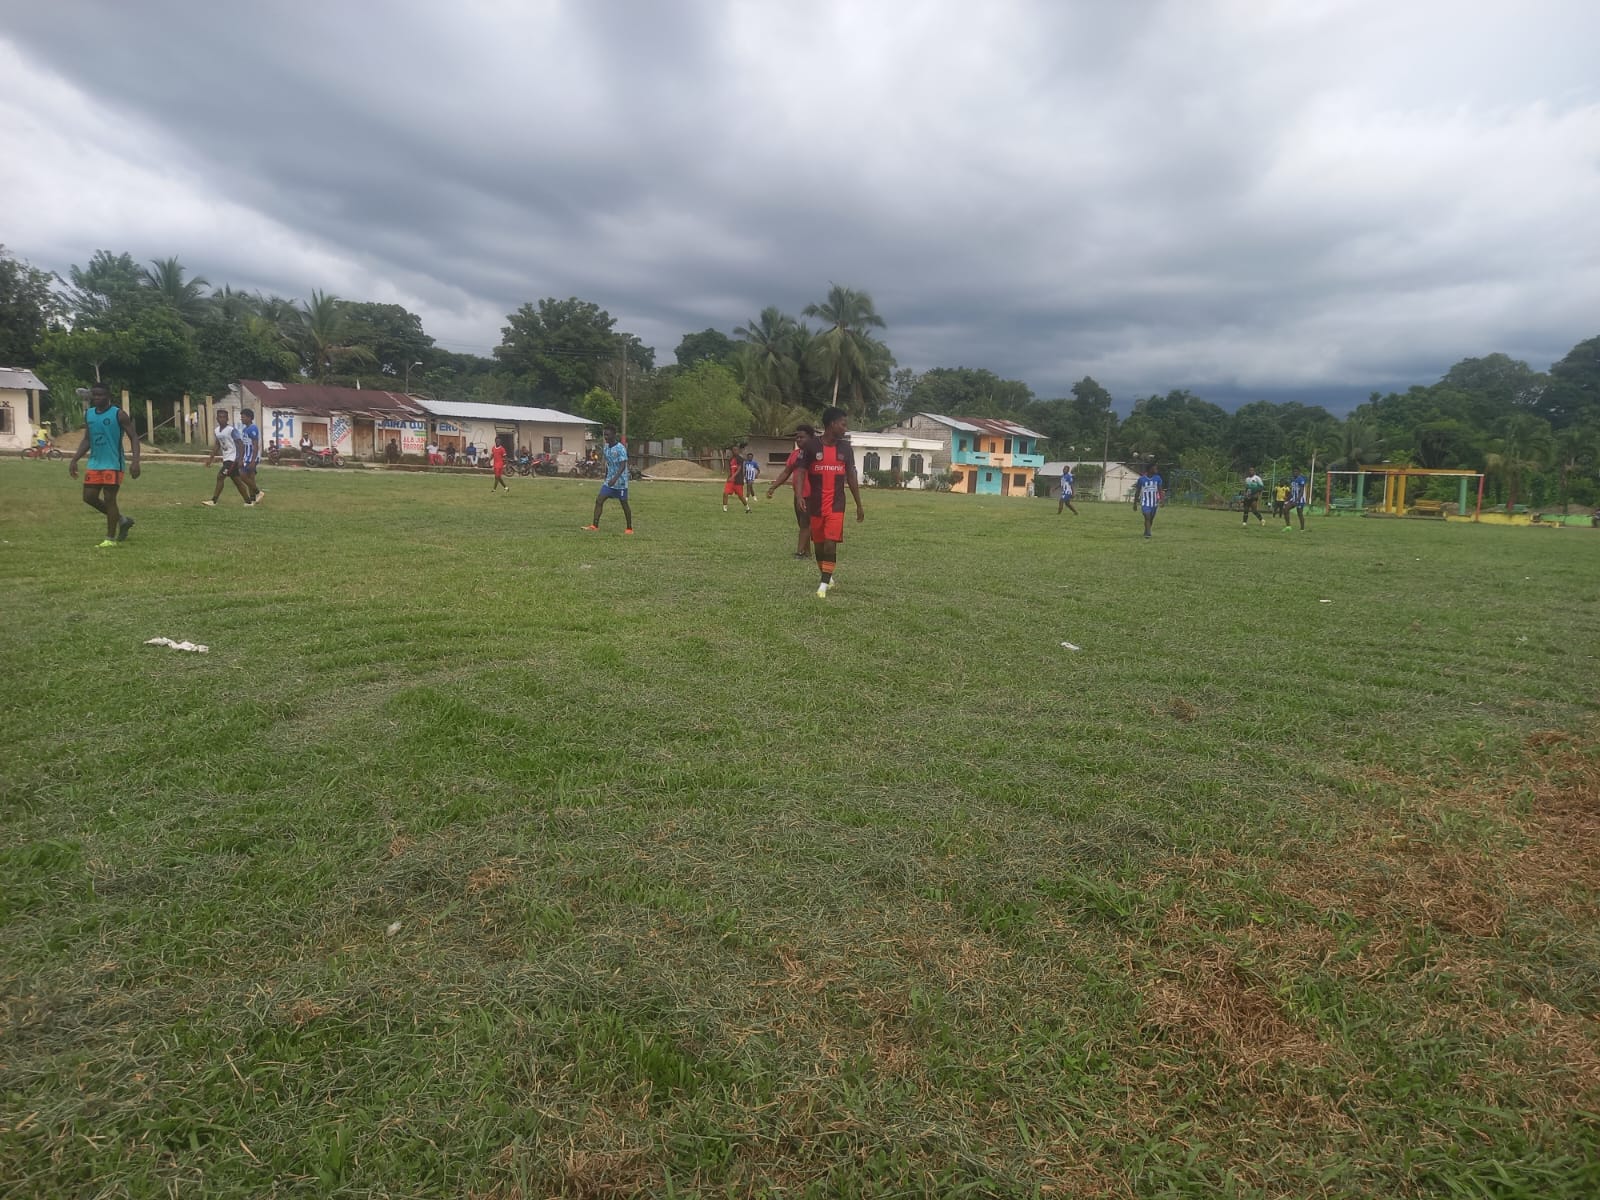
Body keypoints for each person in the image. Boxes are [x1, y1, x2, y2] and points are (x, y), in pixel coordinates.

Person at [767, 406, 864, 598]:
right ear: (832, 424)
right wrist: (800, 496)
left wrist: (859, 504)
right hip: (815, 504)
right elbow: (800, 472)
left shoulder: (846, 448)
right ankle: (826, 576)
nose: (845, 429)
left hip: (837, 505)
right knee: (819, 545)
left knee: (830, 544)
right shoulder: (811, 447)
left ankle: (823, 585)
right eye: (843, 424)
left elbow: (851, 476)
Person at [68, 381, 140, 547]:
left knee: (109, 499)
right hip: (95, 463)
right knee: (89, 497)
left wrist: (135, 461)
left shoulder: (119, 414)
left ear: (108, 396)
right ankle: (122, 520)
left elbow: (134, 437)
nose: (97, 398)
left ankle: (110, 539)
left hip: (113, 463)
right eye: (94, 395)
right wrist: (75, 459)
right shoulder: (89, 414)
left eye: (100, 395)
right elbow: (87, 439)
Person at [583, 425, 633, 533]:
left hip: (621, 482)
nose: (606, 437)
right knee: (599, 500)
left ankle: (629, 528)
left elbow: (623, 465)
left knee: (624, 504)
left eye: (608, 435)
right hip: (609, 481)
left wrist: (615, 479)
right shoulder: (606, 447)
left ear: (614, 435)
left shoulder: (620, 448)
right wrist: (606, 475)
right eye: (604, 435)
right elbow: (608, 463)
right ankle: (594, 526)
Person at [202, 407, 254, 507]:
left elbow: (241, 444)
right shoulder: (217, 431)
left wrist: (240, 459)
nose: (222, 419)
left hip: (233, 459)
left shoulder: (231, 430)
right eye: (220, 417)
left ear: (227, 419)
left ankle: (213, 501)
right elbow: (217, 445)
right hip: (226, 458)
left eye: (224, 417)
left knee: (220, 476)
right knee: (237, 481)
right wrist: (210, 459)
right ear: (217, 418)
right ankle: (248, 502)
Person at [778, 425, 815, 558]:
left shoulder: (816, 454)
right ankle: (807, 552)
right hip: (798, 494)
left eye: (802, 437)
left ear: (811, 438)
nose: (798, 440)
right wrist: (773, 487)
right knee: (802, 524)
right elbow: (786, 472)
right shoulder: (795, 454)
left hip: (810, 495)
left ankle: (799, 552)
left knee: (805, 523)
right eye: (797, 437)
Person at [237, 407, 264, 504]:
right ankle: (252, 499)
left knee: (242, 476)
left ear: (249, 418)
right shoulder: (245, 429)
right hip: (246, 456)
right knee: (250, 478)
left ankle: (258, 492)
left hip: (252, 457)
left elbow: (255, 445)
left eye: (243, 417)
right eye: (241, 417)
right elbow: (244, 445)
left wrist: (253, 460)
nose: (242, 419)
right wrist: (241, 458)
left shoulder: (253, 428)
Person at [1134, 461, 1162, 538]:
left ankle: (1146, 530)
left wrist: (1162, 500)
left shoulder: (1158, 478)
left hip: (1154, 503)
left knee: (1151, 518)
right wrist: (1135, 503)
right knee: (1147, 517)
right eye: (1155, 468)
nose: (1156, 470)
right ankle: (1148, 533)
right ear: (1150, 469)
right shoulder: (1141, 479)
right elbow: (1137, 491)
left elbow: (1160, 490)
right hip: (1145, 502)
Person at [723, 445, 751, 513]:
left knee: (740, 496)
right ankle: (725, 509)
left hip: (738, 481)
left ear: (738, 451)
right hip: (731, 481)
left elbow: (739, 469)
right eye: (733, 450)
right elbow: (730, 469)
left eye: (736, 450)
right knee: (725, 493)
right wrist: (728, 477)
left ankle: (747, 508)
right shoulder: (731, 459)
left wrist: (733, 477)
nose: (734, 451)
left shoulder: (740, 459)